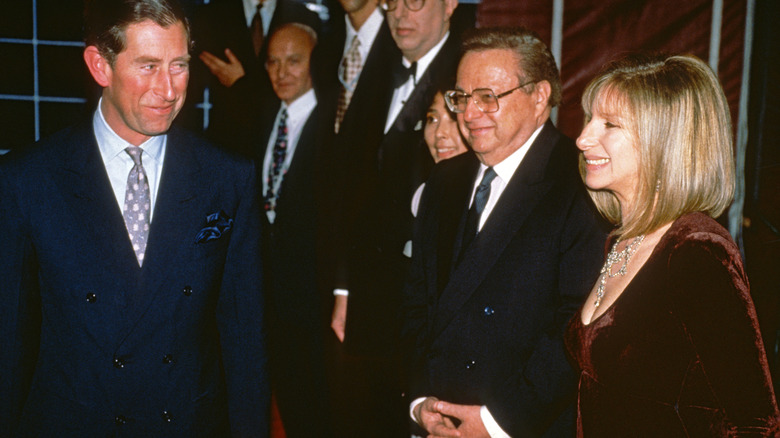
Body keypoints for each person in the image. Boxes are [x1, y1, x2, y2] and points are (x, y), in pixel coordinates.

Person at [0, 0, 269, 436]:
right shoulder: (27, 180)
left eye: (178, 65)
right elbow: (8, 347)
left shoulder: (228, 178)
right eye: (147, 66)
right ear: (99, 66)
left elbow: (246, 346)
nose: (168, 89)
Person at [401, 26, 607, 438]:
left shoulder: (582, 183)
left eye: (488, 98)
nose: (469, 114)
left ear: (539, 96)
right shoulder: (444, 180)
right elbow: (415, 302)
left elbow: (576, 329)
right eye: (461, 98)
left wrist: (496, 423)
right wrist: (420, 402)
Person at [564, 53, 780, 436]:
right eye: (589, 120)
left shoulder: (696, 251)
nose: (582, 139)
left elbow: (756, 423)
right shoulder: (621, 240)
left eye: (610, 124)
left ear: (664, 143)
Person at [324, 0, 463, 435]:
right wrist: (344, 286)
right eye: (391, 3)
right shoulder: (376, 68)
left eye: (415, 1)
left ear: (450, 5)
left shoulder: (468, 75)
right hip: (369, 296)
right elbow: (351, 187)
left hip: (432, 297)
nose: (400, 13)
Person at [258, 23, 332, 437]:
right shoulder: (265, 114)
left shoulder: (334, 124)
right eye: (272, 61)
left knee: (313, 413)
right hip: (269, 299)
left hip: (312, 305)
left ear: (314, 64)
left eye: (293, 61)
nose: (280, 72)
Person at [185, 0, 320, 156]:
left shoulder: (304, 17)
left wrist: (239, 83)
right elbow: (190, 92)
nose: (281, 72)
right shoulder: (211, 15)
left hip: (286, 146)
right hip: (226, 147)